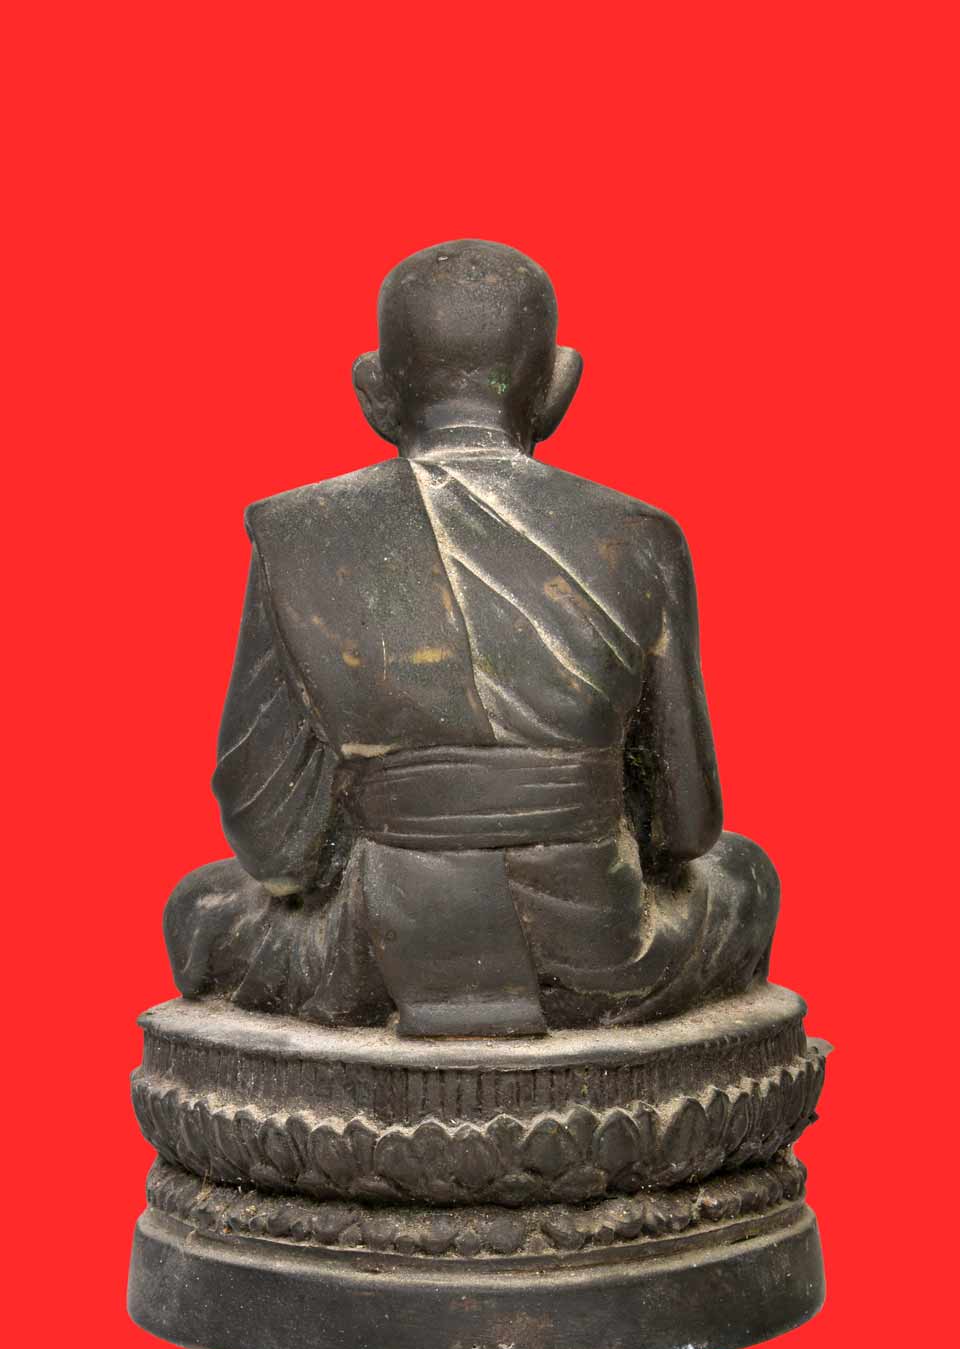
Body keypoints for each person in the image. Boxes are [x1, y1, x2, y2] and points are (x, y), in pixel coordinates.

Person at [164, 240, 779, 1037]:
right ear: (557, 388)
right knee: (746, 877)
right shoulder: (641, 536)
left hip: (375, 947)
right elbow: (687, 826)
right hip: (606, 950)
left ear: (374, 391)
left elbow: (269, 839)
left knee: (199, 908)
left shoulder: (297, 533)